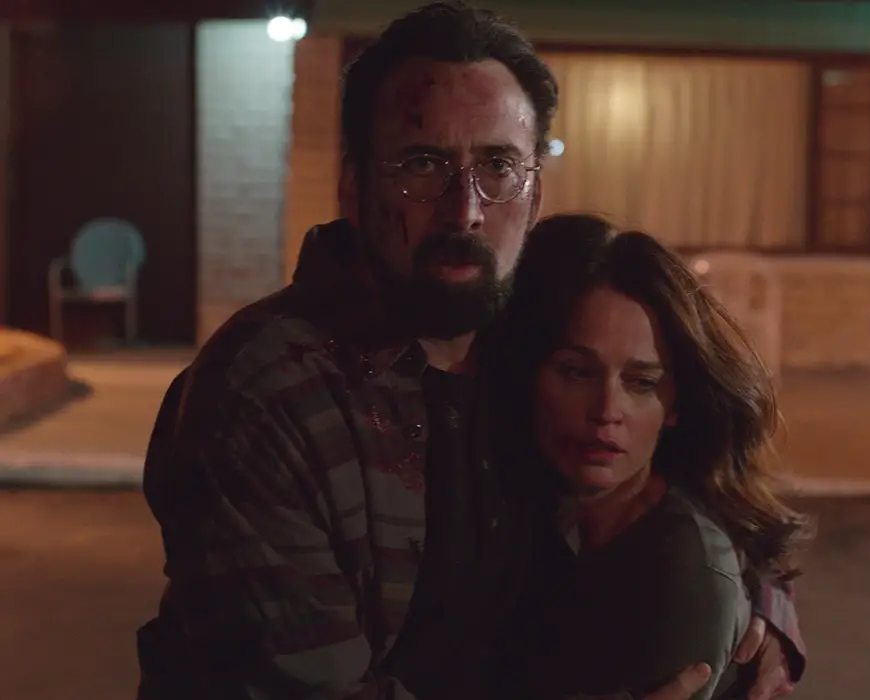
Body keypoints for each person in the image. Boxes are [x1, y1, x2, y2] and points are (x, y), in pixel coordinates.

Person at [135, 3, 806, 699]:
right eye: (422, 165)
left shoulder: (533, 327)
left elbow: (693, 475)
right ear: (353, 186)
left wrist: (753, 606)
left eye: (498, 167)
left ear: (536, 194)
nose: (466, 210)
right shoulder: (267, 394)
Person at [490, 214, 812, 700]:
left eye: (641, 382)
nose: (606, 411)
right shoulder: (531, 502)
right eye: (576, 372)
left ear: (676, 402)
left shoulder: (679, 571)